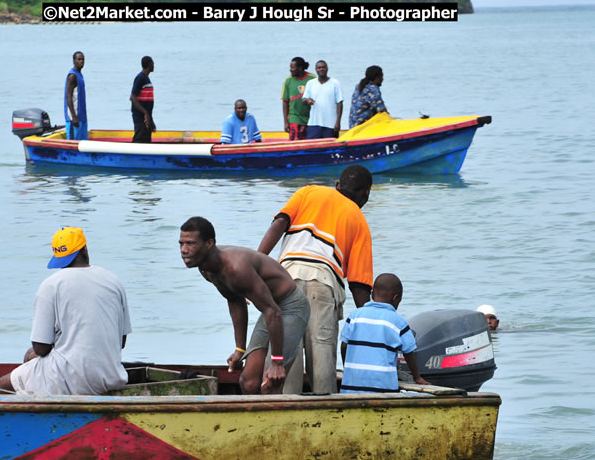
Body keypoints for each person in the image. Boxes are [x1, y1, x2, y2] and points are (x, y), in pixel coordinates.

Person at [258, 164, 374, 394]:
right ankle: (325, 413)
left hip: (283, 281)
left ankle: (283, 408)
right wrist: (372, 324)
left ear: (337, 185)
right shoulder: (359, 221)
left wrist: (257, 264)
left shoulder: (307, 192)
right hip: (323, 284)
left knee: (284, 357)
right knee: (322, 362)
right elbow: (360, 286)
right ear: (366, 195)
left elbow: (279, 224)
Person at [179, 216, 310, 395]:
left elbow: (274, 312)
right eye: (181, 244)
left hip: (290, 306)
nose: (184, 250)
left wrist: (277, 362)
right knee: (248, 382)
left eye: (191, 244)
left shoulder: (236, 268)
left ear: (209, 243)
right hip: (271, 310)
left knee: (270, 381)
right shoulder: (205, 268)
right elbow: (235, 301)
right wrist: (239, 350)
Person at [0, 227, 131, 395]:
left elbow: (41, 348)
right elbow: (121, 342)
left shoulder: (51, 285)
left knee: (0, 385)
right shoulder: (113, 281)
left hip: (68, 380)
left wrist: (34, 355)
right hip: (110, 377)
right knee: (34, 358)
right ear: (85, 249)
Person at [340, 273, 430, 393]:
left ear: (372, 295)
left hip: (350, 390)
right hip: (383, 390)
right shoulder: (398, 322)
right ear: (396, 298)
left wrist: (348, 369)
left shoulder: (354, 316)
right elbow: (409, 352)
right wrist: (417, 377)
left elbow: (344, 345)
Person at [302, 60, 343, 139]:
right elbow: (304, 100)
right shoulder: (310, 83)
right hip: (314, 124)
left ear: (327, 69)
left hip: (330, 124)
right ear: (316, 69)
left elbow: (339, 103)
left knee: (331, 150)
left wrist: (338, 122)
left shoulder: (335, 83)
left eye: (323, 67)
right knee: (312, 149)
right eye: (319, 68)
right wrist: (307, 101)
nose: (321, 69)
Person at [281, 57, 316, 141]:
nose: (290, 70)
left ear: (300, 68)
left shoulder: (312, 79)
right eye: (290, 67)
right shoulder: (288, 81)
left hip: (310, 118)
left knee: (308, 143)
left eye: (292, 67)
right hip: (294, 118)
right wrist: (286, 122)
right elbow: (285, 102)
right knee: (294, 142)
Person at [130, 56, 156, 143]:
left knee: (146, 141)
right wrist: (144, 113)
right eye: (153, 63)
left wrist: (151, 120)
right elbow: (132, 97)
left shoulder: (147, 79)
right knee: (139, 139)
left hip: (147, 117)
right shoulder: (140, 78)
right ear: (149, 65)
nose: (154, 65)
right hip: (140, 117)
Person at [64, 51, 87, 140]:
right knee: (73, 144)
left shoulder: (80, 75)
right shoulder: (72, 76)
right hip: (74, 119)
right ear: (74, 61)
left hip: (82, 117)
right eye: (79, 59)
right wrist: (74, 117)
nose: (81, 61)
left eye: (83, 59)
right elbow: (68, 96)